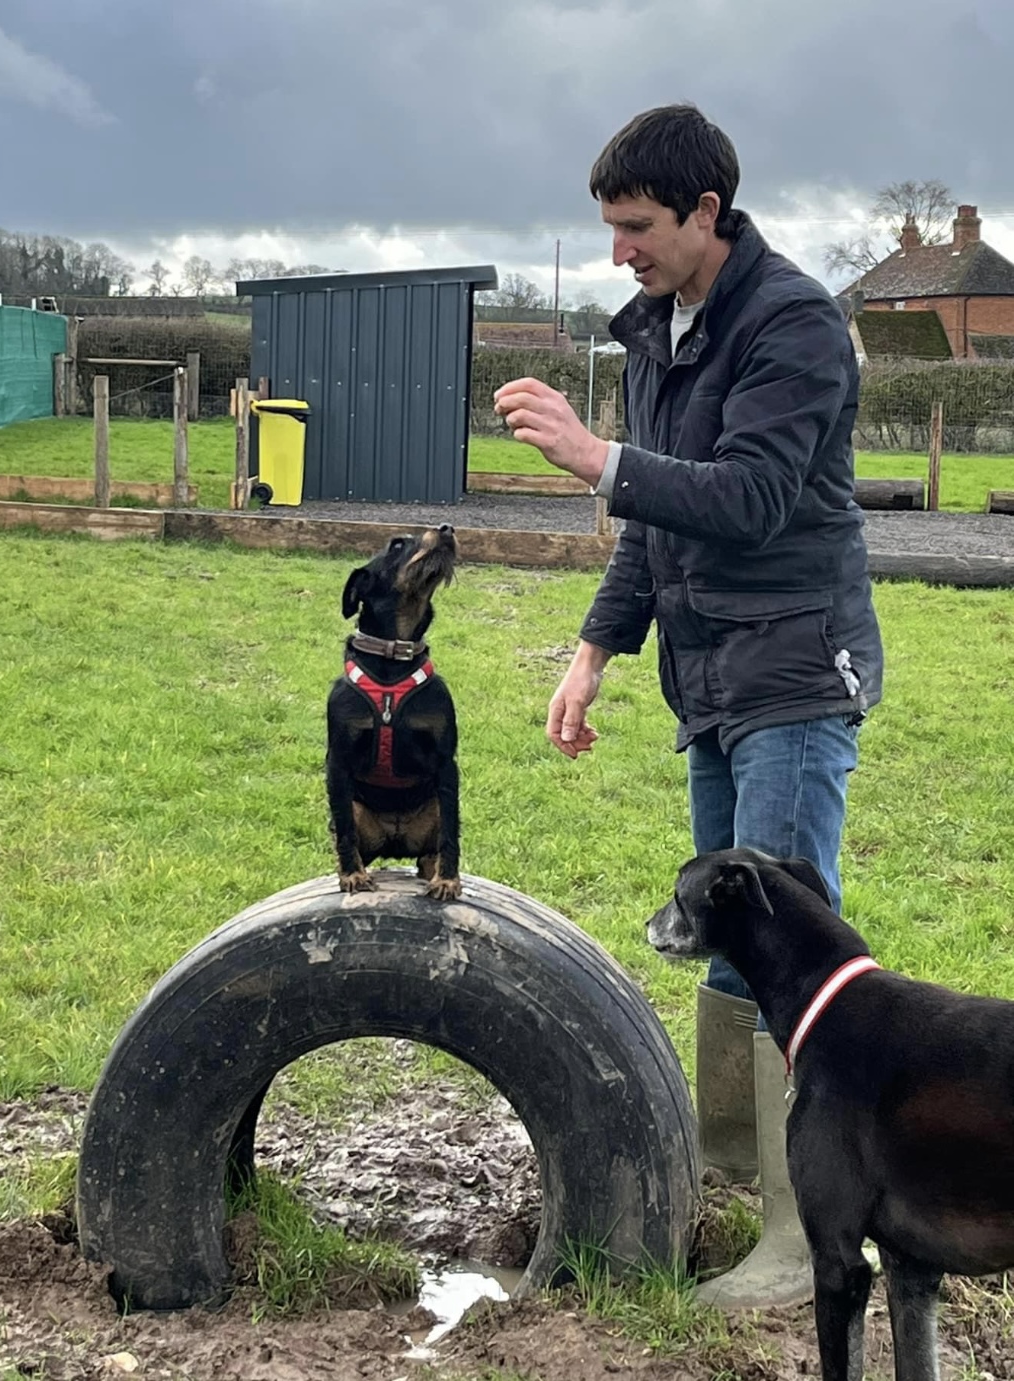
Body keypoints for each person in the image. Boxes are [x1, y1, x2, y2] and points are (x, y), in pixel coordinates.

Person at [493, 103, 883, 1309]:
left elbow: (751, 497)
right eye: (611, 228)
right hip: (709, 681)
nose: (620, 251)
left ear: (706, 211)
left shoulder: (795, 323)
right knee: (730, 933)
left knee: (791, 948)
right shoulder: (661, 330)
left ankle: (807, 1238)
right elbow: (658, 522)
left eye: (638, 227)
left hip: (795, 672)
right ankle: (733, 1181)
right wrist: (592, 652)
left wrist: (595, 458)